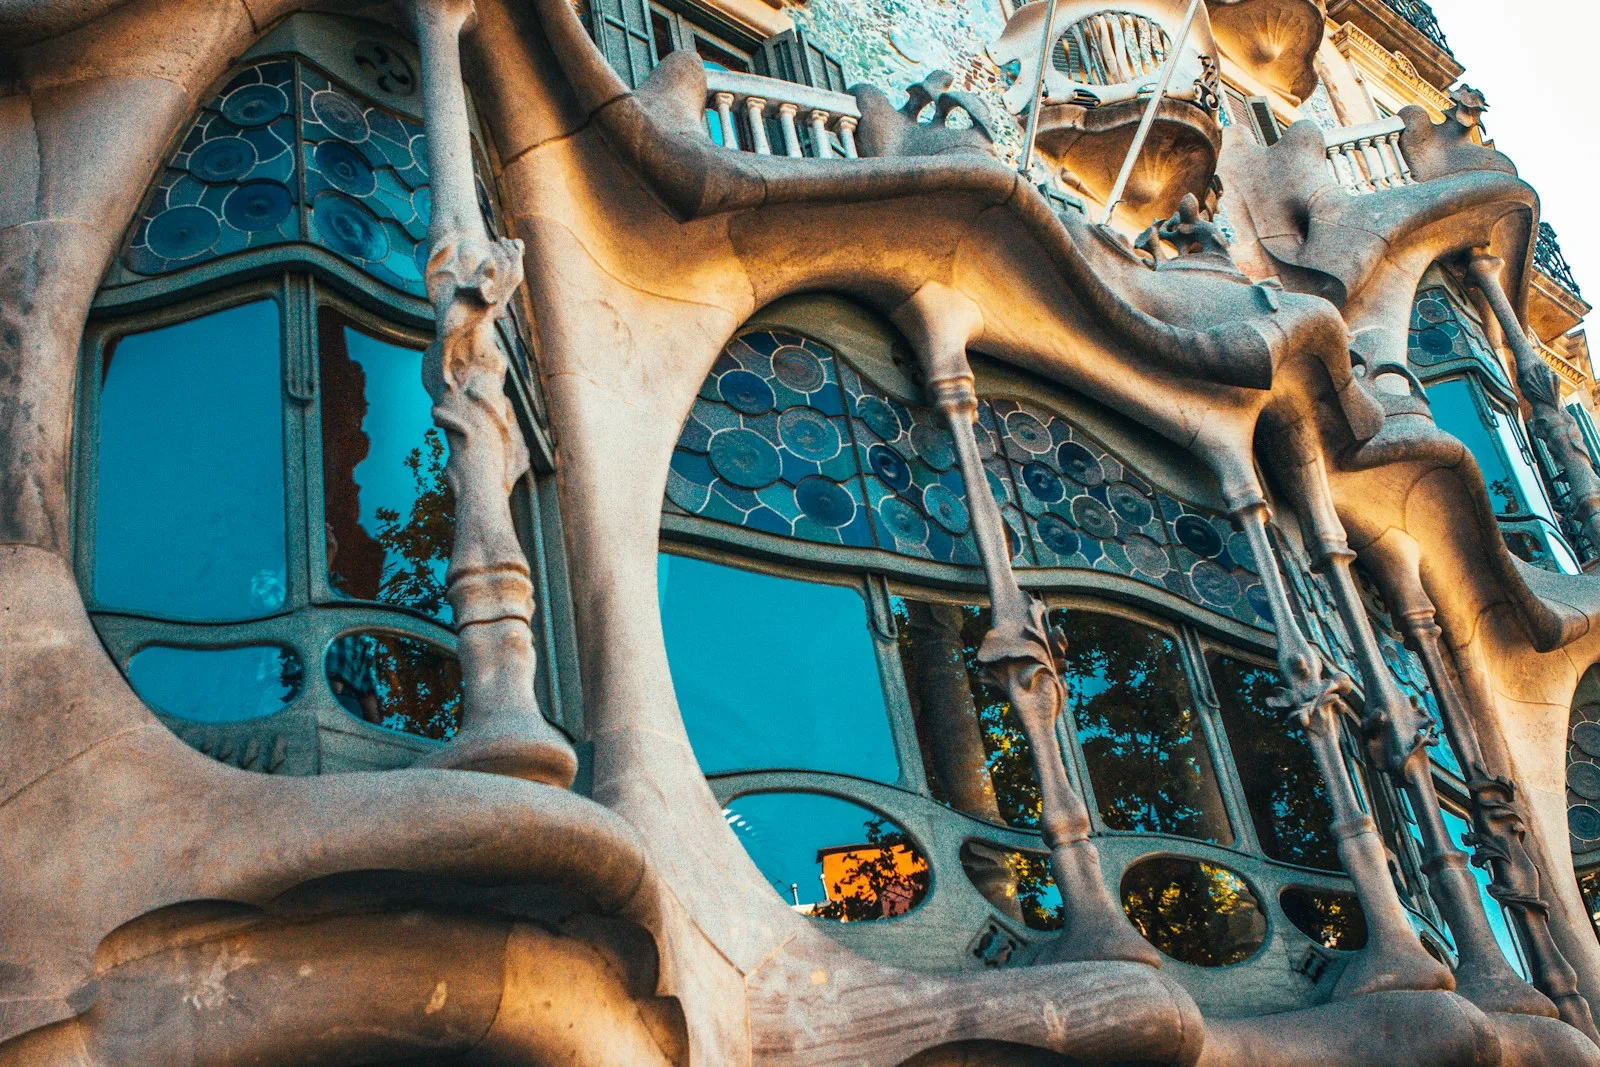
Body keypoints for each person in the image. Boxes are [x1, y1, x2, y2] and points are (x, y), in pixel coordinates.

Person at [324, 523, 383, 724]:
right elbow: (280, 599)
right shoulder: (271, 583)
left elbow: (367, 688)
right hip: (292, 694)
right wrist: (324, 557)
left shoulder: (348, 607)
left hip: (348, 705)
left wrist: (378, 739)